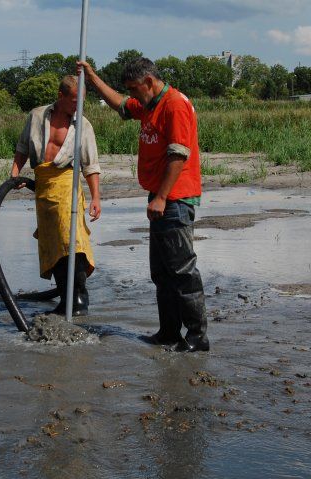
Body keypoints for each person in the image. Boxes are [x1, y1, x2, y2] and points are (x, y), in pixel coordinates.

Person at [79, 58, 208, 352]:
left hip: (174, 198)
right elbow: (121, 105)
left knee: (181, 270)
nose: (134, 95)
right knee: (161, 272)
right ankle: (169, 332)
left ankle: (198, 336)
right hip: (160, 198)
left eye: (136, 89)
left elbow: (178, 154)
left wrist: (162, 197)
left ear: (149, 81)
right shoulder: (150, 104)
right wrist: (91, 76)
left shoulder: (174, 105)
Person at [10, 75, 101, 317]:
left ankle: (79, 299)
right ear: (60, 97)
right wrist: (15, 173)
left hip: (66, 184)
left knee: (72, 242)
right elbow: (22, 148)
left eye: (81, 102)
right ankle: (65, 298)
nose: (77, 107)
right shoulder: (38, 115)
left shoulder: (83, 125)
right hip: (42, 185)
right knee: (53, 245)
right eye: (73, 101)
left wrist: (95, 198)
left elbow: (90, 166)